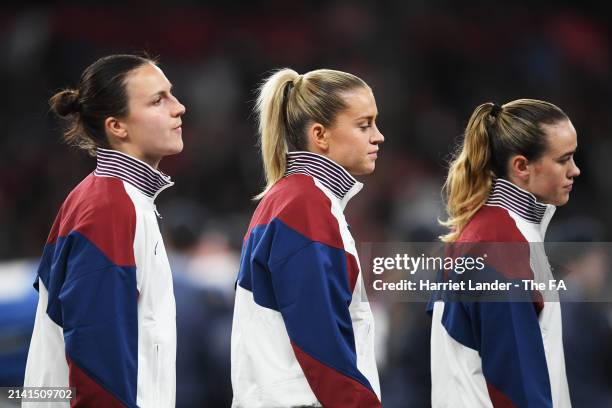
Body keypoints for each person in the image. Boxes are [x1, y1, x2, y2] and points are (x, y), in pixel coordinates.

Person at [23, 54, 186, 407]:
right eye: (158, 100)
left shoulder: (116, 199)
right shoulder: (110, 208)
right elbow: (95, 352)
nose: (179, 108)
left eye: (171, 95)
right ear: (117, 127)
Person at [231, 68, 384, 408]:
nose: (378, 136)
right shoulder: (305, 206)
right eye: (364, 125)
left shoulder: (298, 198)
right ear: (320, 135)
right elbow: (322, 342)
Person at [430, 99, 580, 407]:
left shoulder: (495, 232)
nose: (574, 170)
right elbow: (513, 381)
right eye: (563, 160)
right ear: (522, 167)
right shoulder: (499, 243)